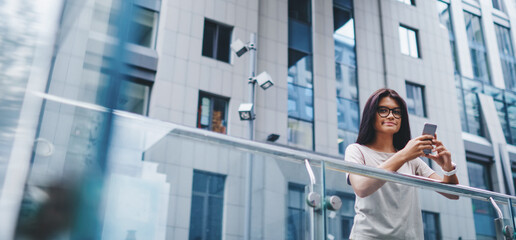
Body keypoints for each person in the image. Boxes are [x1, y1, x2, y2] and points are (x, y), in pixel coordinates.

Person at [345, 88, 459, 239]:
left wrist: (448, 169)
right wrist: (404, 154)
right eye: (383, 110)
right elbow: (361, 188)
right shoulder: (357, 151)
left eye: (397, 112)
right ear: (371, 116)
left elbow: (453, 194)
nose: (391, 116)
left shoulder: (412, 160)